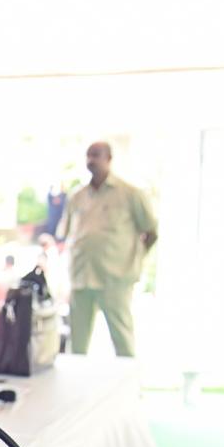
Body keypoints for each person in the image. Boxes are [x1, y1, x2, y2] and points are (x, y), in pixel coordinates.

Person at [56, 141, 158, 357]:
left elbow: (151, 231)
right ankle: (77, 388)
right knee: (78, 344)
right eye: (88, 155)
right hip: (82, 277)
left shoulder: (130, 194)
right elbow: (66, 234)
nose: (91, 160)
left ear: (109, 159)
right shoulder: (78, 196)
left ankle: (129, 388)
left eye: (96, 155)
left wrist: (133, 258)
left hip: (114, 278)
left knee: (122, 340)